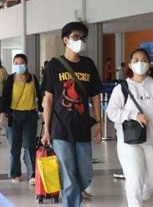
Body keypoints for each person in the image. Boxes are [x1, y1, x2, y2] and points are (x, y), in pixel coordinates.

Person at [41, 21, 103, 206]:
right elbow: (49, 99)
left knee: (85, 174)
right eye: (76, 37)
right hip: (60, 127)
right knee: (68, 176)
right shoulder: (54, 65)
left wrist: (99, 122)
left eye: (82, 37)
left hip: (82, 127)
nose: (80, 40)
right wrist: (46, 129)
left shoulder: (88, 64)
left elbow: (95, 96)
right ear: (65, 40)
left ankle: (77, 190)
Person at [107, 48, 153, 207]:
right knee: (135, 179)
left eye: (144, 60)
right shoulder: (122, 88)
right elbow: (111, 112)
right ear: (130, 65)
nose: (140, 63)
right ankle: (135, 200)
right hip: (129, 141)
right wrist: (133, 115)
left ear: (149, 64)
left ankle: (137, 197)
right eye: (136, 60)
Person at [0, 54, 43, 185]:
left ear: (26, 64)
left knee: (30, 145)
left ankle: (32, 173)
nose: (19, 65)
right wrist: (2, 114)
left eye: (21, 62)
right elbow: (5, 97)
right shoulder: (10, 79)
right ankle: (15, 172)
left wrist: (42, 110)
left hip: (30, 115)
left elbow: (39, 95)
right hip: (14, 115)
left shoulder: (33, 78)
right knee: (15, 146)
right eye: (16, 63)